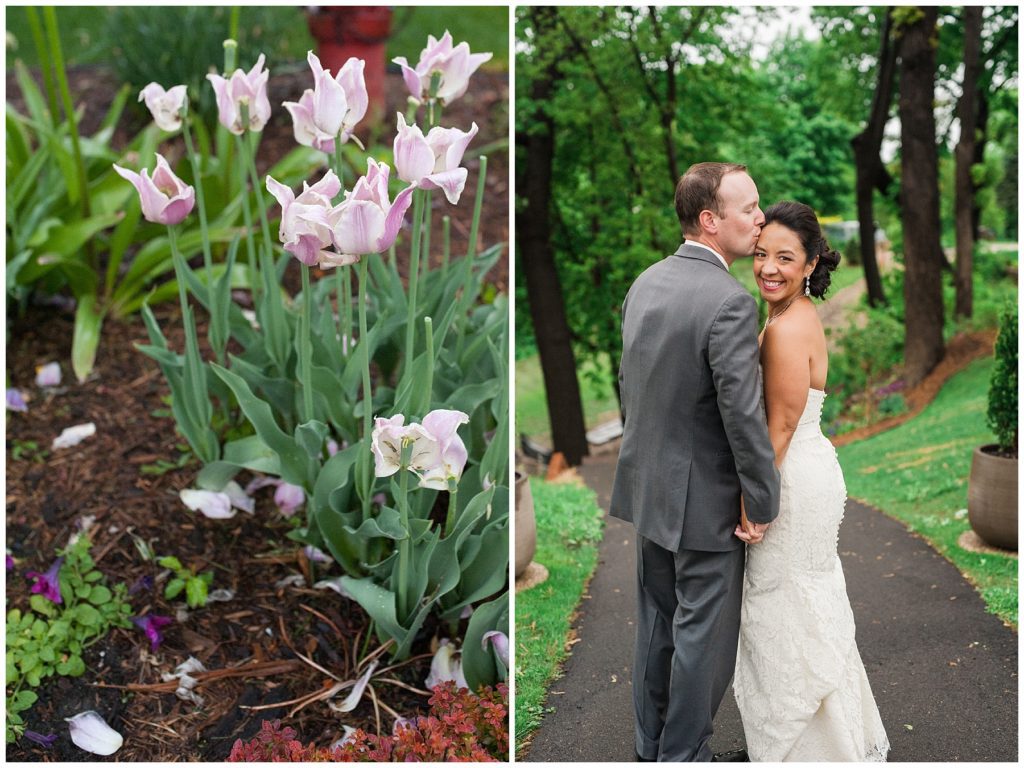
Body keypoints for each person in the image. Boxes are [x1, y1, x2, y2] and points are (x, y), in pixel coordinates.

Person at [610, 162, 781, 762]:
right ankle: (684, 756)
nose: (759, 217)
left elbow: (631, 389)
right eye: (748, 208)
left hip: (649, 491)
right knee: (702, 640)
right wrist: (761, 502)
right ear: (711, 221)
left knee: (657, 626)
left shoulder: (645, 283)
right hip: (704, 504)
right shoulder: (731, 302)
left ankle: (650, 747)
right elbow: (743, 417)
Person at [732, 201, 890, 761]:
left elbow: (780, 422)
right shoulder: (789, 314)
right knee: (804, 598)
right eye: (760, 254)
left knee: (780, 604)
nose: (768, 267)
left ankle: (805, 748)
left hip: (790, 479)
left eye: (784, 257)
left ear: (809, 264)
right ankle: (828, 741)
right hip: (808, 467)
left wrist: (755, 500)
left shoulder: (784, 328)